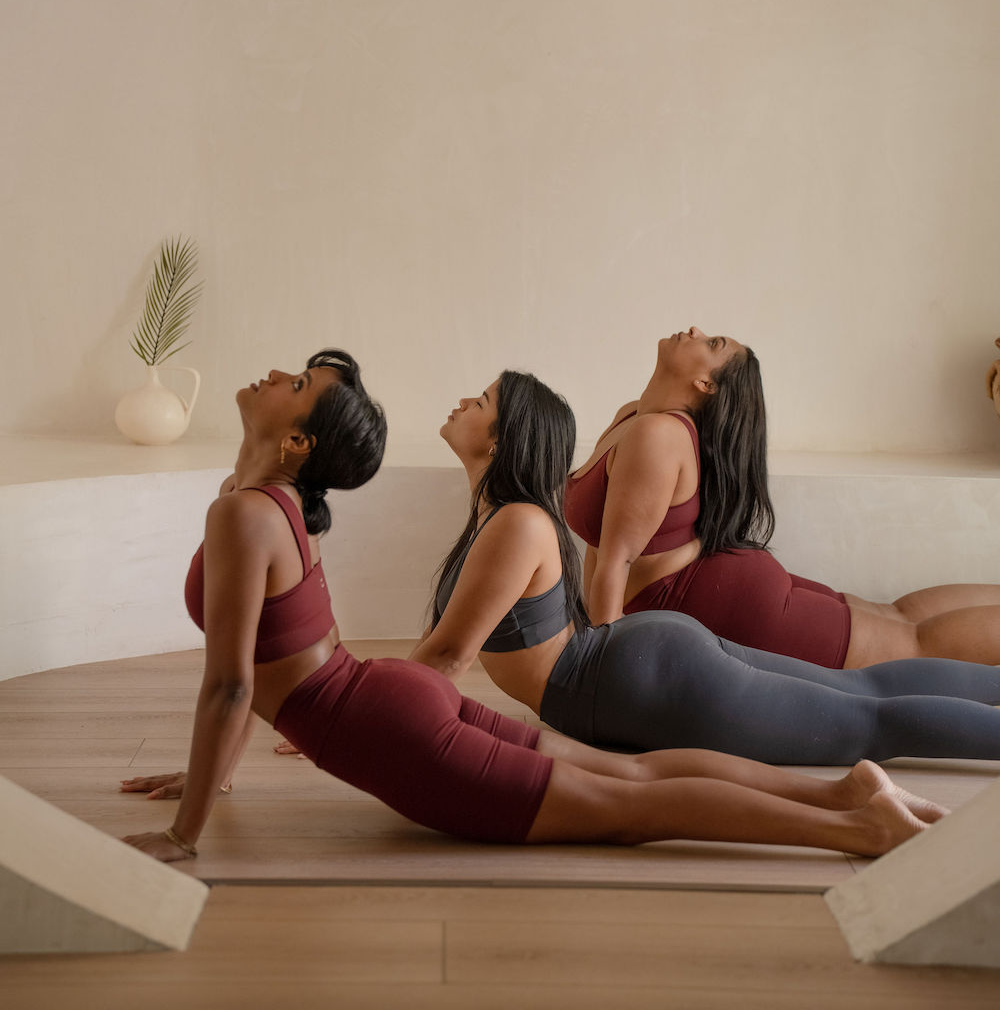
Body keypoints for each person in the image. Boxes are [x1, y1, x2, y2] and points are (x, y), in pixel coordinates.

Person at [120, 349, 944, 862]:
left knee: (630, 806)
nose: (273, 375)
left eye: (296, 382)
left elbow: (236, 685)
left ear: (298, 442)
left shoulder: (248, 511)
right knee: (632, 778)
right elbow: (289, 657)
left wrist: (185, 834)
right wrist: (209, 775)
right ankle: (841, 794)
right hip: (389, 703)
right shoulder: (275, 508)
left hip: (392, 719)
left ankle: (856, 826)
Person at [414, 369, 1000, 766]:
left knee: (867, 723)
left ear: (499, 443)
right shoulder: (499, 521)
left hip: (636, 673)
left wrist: (347, 713)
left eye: (481, 402)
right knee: (866, 697)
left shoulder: (517, 523)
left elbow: (446, 658)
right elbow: (441, 650)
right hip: (638, 663)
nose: (464, 402)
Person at [567, 327, 1000, 668]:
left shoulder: (656, 434)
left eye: (711, 342)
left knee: (912, 644)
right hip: (724, 586)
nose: (695, 329)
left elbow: (617, 560)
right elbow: (605, 541)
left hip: (726, 599)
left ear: (706, 382)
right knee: (898, 616)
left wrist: (599, 663)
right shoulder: (633, 416)